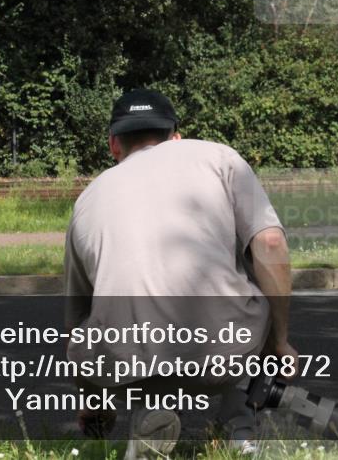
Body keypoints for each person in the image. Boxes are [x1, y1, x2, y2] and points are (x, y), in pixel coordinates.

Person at [63, 88, 297, 456]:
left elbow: (79, 318)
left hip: (126, 364)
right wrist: (280, 341)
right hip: (222, 352)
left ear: (113, 145)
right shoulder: (219, 158)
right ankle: (240, 432)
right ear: (176, 137)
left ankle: (150, 414)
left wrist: (96, 400)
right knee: (254, 270)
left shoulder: (87, 200)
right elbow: (270, 244)